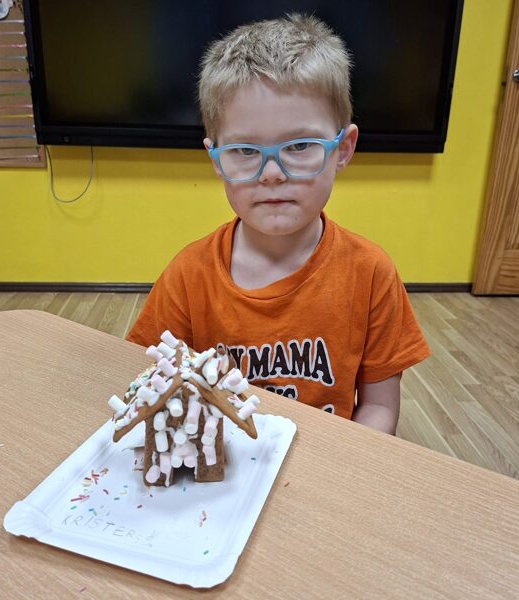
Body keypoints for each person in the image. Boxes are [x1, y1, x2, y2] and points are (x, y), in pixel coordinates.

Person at [127, 14, 429, 435]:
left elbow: (379, 407)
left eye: (300, 145)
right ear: (216, 159)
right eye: (244, 150)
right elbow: (150, 386)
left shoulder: (371, 273)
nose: (271, 173)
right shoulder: (188, 276)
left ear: (343, 149)